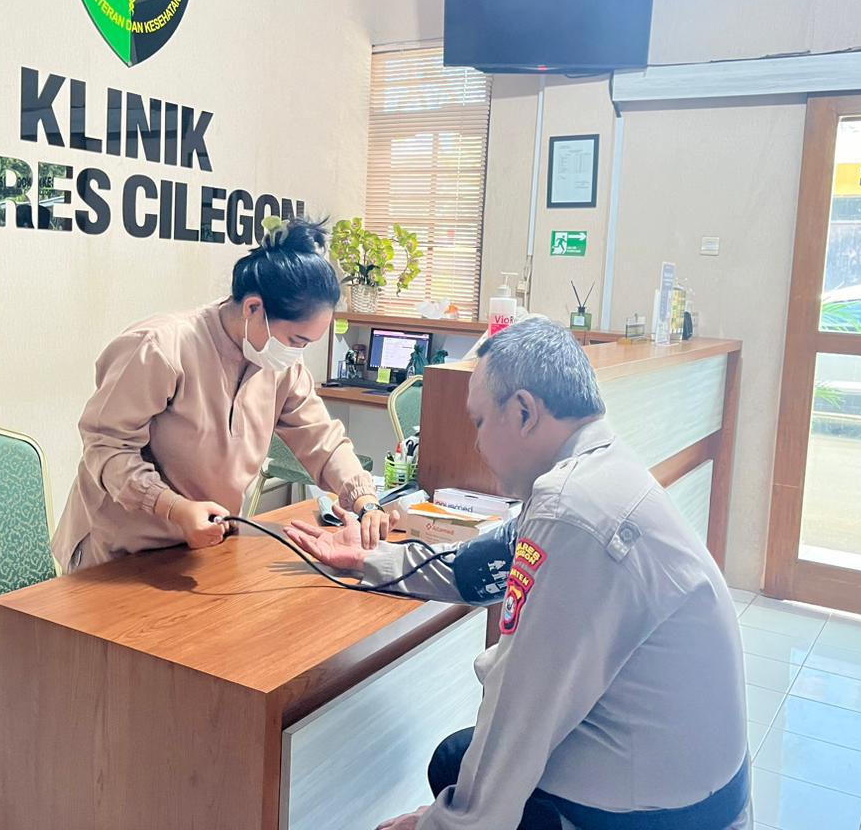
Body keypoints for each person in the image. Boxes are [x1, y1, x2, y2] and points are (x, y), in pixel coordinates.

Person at [285, 318, 750, 830]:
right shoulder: (597, 469)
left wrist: (438, 823)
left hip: (665, 811)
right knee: (457, 759)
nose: (476, 443)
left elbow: (519, 712)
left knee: (463, 767)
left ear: (525, 412)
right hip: (684, 771)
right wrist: (369, 560)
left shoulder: (572, 511)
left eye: (480, 421)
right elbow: (475, 566)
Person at [51, 217, 397, 572]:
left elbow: (322, 440)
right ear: (253, 308)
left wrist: (364, 499)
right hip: (117, 551)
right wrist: (172, 507)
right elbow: (106, 446)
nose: (297, 353)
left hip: (201, 549)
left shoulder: (281, 365)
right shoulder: (161, 348)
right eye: (296, 340)